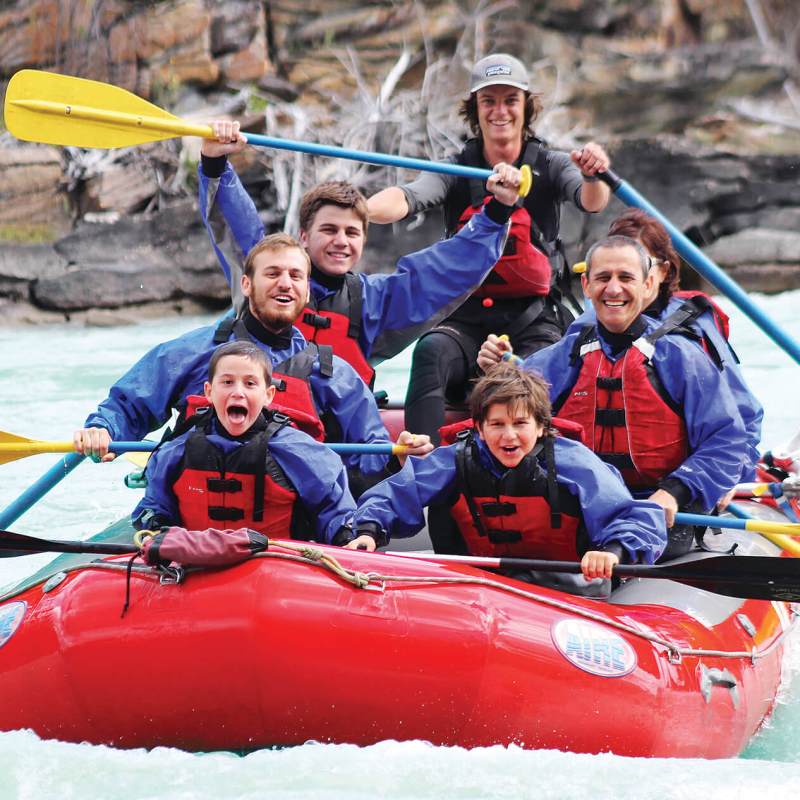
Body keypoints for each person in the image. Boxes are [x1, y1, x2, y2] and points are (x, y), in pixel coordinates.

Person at [365, 52, 613, 443]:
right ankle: (419, 472)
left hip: (534, 320)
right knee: (429, 352)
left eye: (510, 100)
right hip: (464, 318)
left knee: (540, 374)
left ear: (526, 108)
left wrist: (593, 175)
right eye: (489, 101)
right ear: (476, 110)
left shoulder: (552, 164)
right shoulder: (457, 168)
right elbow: (407, 197)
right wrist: (360, 210)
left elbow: (591, 199)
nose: (500, 111)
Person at [74, 233, 431, 494]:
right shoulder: (193, 351)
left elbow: (368, 456)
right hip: (195, 521)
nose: (285, 284)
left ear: (306, 292)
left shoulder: (334, 374)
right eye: (272, 273)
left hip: (290, 530)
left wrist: (394, 458)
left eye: (295, 276)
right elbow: (128, 405)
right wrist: (104, 430)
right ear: (247, 284)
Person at [477, 235, 747, 560]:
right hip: (581, 511)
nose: (614, 289)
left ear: (649, 285)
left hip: (658, 512)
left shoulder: (681, 357)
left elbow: (727, 441)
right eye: (603, 278)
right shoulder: (561, 358)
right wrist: (495, 373)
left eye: (626, 278)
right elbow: (502, 418)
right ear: (586, 285)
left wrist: (674, 493)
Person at [198, 121, 520, 388]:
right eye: (329, 230)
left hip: (333, 442)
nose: (341, 241)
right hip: (259, 433)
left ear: (363, 241)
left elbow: (446, 271)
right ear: (304, 236)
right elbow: (236, 223)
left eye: (351, 233)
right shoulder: (269, 274)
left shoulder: (372, 302)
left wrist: (498, 211)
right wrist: (215, 162)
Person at [355, 364, 666, 592]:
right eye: (497, 424)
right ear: (479, 427)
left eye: (520, 423)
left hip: (570, 586)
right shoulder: (456, 460)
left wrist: (612, 552)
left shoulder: (575, 463)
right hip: (482, 585)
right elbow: (394, 494)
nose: (509, 436)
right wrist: (368, 530)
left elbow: (634, 516)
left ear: (542, 426)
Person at [571, 209, 762, 490]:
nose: (616, 287)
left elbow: (743, 413)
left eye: (636, 264)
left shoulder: (694, 331)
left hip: (683, 483)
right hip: (601, 488)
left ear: (661, 271)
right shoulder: (586, 330)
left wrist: (726, 477)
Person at [132, 341, 377, 550]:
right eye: (227, 382)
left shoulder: (299, 451)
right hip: (196, 567)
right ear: (209, 391)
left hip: (278, 570)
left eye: (250, 384)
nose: (238, 392)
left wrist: (348, 537)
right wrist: (154, 525)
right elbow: (155, 506)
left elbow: (334, 511)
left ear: (268, 395)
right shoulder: (175, 451)